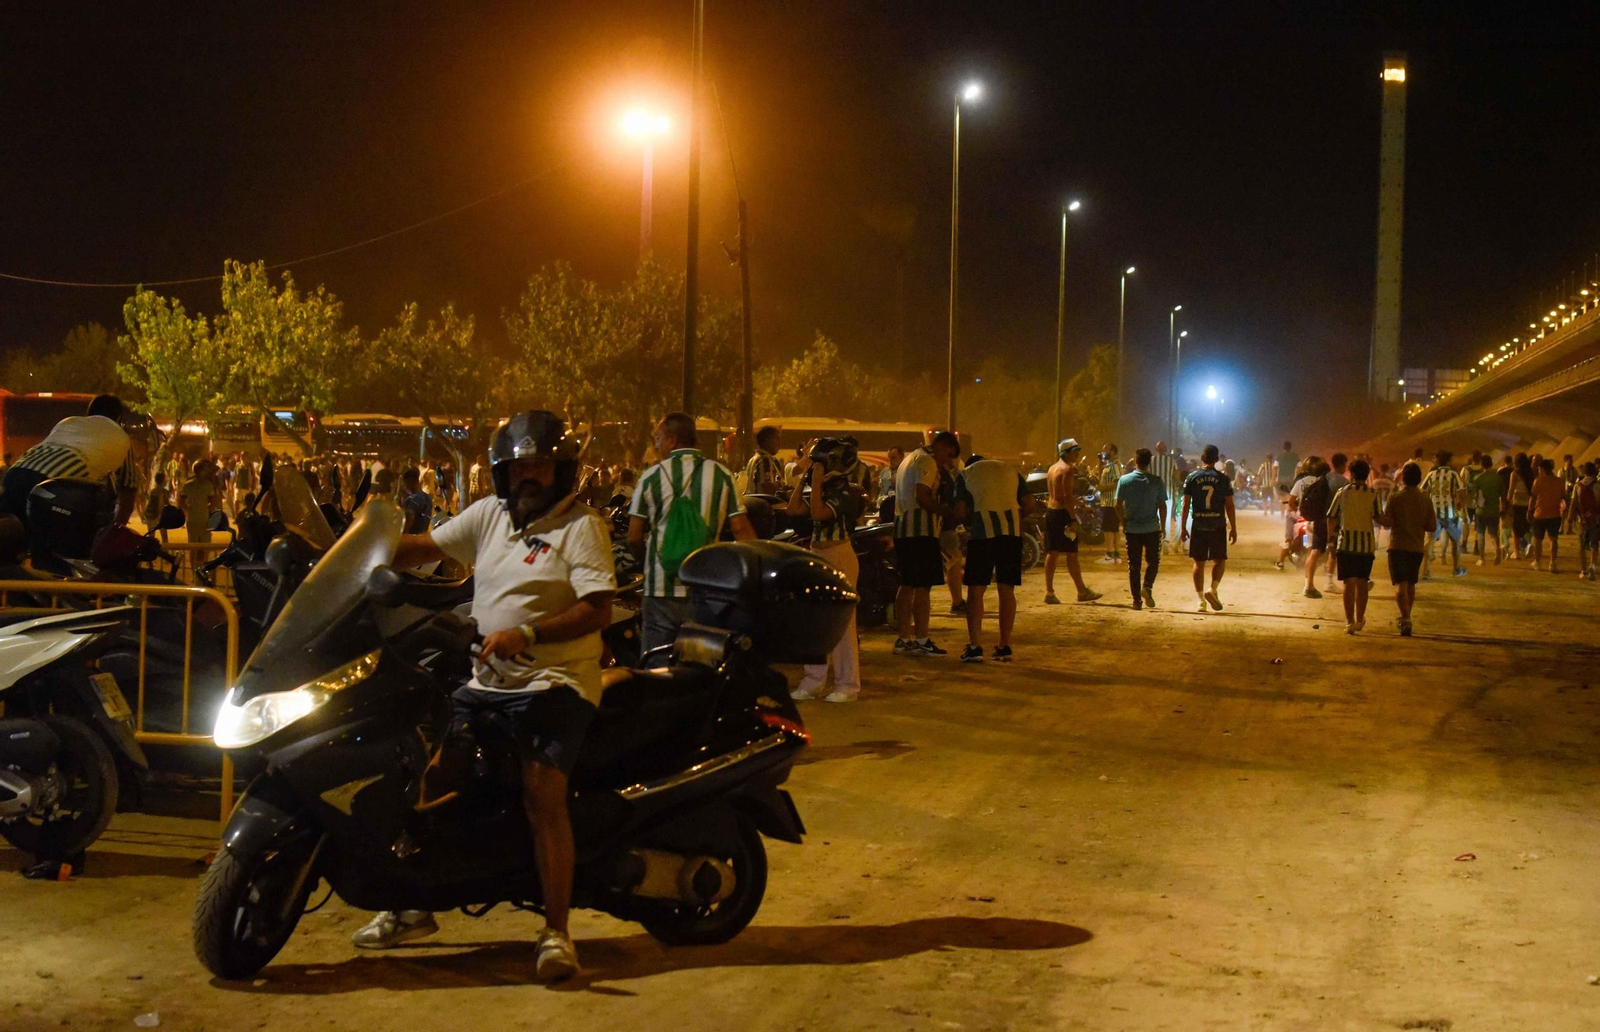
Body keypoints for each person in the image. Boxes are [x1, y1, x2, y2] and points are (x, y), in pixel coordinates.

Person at [350, 411, 615, 981]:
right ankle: (413, 906)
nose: (529, 477)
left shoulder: (581, 526)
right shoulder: (490, 516)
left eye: (540, 466)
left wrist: (530, 634)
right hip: (487, 680)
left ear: (561, 471)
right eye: (520, 467)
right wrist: (352, 552)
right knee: (434, 778)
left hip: (555, 683)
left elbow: (599, 607)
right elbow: (422, 547)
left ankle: (556, 933)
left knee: (541, 793)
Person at [628, 412, 755, 659]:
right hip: (705, 590)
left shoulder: (650, 478)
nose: (656, 445)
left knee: (656, 663)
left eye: (659, 438)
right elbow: (742, 531)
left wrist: (649, 565)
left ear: (673, 440)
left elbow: (634, 536)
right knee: (700, 663)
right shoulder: (722, 475)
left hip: (659, 590)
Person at [785, 439, 865, 701]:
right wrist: (805, 478)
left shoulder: (845, 491)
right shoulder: (827, 487)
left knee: (841, 624)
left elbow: (818, 514)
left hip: (839, 555)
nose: (818, 466)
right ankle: (813, 682)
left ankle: (847, 685)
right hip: (819, 554)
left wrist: (816, 480)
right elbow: (794, 509)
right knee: (815, 622)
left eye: (822, 462)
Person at [0, 394, 137, 528]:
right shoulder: (121, 437)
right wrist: (116, 532)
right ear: (119, 418)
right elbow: (127, 493)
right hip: (51, 488)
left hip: (15, 474)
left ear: (88, 414)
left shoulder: (68, 422)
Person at [954, 454, 1030, 663]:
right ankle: (1004, 646)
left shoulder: (965, 474)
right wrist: (1012, 520)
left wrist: (969, 523)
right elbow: (1029, 504)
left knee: (976, 589)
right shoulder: (1011, 470)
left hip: (982, 535)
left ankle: (975, 647)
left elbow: (960, 511)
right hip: (1011, 535)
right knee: (1007, 589)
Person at [891, 431, 961, 656]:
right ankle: (921, 640)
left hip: (902, 529)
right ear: (941, 446)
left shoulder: (908, 459)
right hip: (921, 532)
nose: (946, 462)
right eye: (948, 456)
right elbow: (922, 495)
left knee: (907, 584)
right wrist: (945, 512)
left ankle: (903, 639)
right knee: (922, 587)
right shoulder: (927, 461)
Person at [1377, 460, 1435, 636]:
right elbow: (1432, 526)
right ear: (1419, 479)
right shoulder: (1425, 498)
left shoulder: (1396, 497)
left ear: (1404, 478)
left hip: (1398, 546)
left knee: (1401, 586)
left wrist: (1375, 516)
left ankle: (1406, 618)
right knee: (1410, 585)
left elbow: (1387, 522)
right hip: (1416, 548)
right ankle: (1406, 618)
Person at [1041, 439, 1102, 604]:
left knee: (1052, 552)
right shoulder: (1068, 469)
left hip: (1051, 512)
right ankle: (1082, 591)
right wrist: (1073, 518)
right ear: (1066, 452)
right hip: (1062, 515)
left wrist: (1081, 505)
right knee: (1072, 554)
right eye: (1075, 450)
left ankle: (1049, 592)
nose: (1078, 453)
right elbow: (1067, 497)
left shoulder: (1053, 469)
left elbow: (1058, 495)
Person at [1178, 443, 1236, 612]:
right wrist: (1233, 527)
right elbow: (1230, 505)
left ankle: (1200, 601)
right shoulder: (1224, 479)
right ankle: (1213, 589)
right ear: (1217, 460)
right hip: (1217, 524)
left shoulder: (1191, 478)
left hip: (1199, 524)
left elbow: (1185, 504)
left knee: (1198, 563)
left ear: (1202, 458)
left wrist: (1183, 527)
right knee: (1219, 560)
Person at [1328, 458, 1381, 633]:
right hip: (1365, 546)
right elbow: (1380, 518)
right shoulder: (1373, 494)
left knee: (1348, 584)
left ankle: (1349, 622)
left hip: (1346, 544)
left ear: (1351, 474)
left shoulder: (1342, 493)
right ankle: (1360, 620)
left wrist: (1330, 539)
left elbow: (1331, 517)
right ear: (1367, 475)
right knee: (1362, 583)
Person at [1115, 448, 1168, 610]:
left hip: (1132, 529)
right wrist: (1163, 526)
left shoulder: (1124, 480)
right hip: (1152, 528)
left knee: (1134, 566)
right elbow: (1162, 505)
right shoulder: (1157, 481)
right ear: (1149, 462)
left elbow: (1117, 505)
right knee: (1153, 561)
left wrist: (1123, 522)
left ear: (1135, 462)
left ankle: (1136, 601)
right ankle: (1147, 586)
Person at [1419, 451, 1465, 580]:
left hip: (1434, 513)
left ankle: (1426, 571)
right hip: (1450, 513)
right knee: (1455, 541)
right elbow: (1461, 491)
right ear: (1448, 461)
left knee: (1430, 541)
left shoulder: (1431, 474)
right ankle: (1457, 569)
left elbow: (1422, 491)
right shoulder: (1454, 474)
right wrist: (1460, 505)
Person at [1291, 457, 1332, 598]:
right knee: (1315, 552)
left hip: (1307, 519)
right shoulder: (1323, 484)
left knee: (1311, 551)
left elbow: (1292, 501)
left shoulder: (1302, 483)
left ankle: (1308, 582)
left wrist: (1297, 511)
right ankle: (1310, 585)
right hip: (1319, 522)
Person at [1529, 457, 1566, 573]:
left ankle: (1537, 562)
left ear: (1543, 469)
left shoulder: (1538, 481)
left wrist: (1529, 511)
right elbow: (1563, 497)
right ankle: (1552, 562)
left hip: (1539, 514)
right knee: (1553, 539)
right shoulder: (1559, 481)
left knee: (1538, 540)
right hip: (1554, 514)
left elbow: (1533, 498)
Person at [1470, 454, 1504, 566]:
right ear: (1491, 463)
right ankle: (1497, 549)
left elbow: (1474, 495)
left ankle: (1482, 558)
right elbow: (1502, 494)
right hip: (1494, 510)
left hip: (1481, 510)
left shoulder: (1478, 479)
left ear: (1482, 465)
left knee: (1480, 534)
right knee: (1494, 533)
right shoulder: (1498, 478)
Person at [181, 458, 221, 545]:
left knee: (192, 545)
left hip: (191, 517)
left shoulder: (187, 484)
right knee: (204, 546)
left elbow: (181, 501)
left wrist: (190, 508)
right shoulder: (208, 485)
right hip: (204, 517)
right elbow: (214, 502)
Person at [1096, 445, 1123, 563]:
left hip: (1111, 501)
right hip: (1109, 501)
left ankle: (1109, 554)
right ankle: (1116, 555)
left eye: (1106, 450)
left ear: (1113, 451)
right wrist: (1099, 467)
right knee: (1114, 529)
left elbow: (1116, 484)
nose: (1104, 452)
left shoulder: (1115, 466)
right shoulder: (1109, 465)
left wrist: (1101, 488)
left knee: (1109, 529)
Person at [742, 425, 787, 495]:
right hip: (763, 504)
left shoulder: (753, 459)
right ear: (767, 440)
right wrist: (781, 487)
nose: (779, 443)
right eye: (777, 439)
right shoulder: (764, 459)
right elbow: (767, 486)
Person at [1573, 461, 1599, 580]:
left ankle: (1583, 570)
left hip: (1582, 519)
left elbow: (1574, 503)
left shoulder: (1578, 486)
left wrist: (1569, 519)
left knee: (1582, 545)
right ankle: (1592, 566)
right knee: (1594, 544)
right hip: (1596, 519)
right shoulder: (1597, 485)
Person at [1508, 452, 1533, 559]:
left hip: (1517, 503)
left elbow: (1511, 489)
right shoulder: (1531, 473)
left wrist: (1508, 502)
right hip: (1529, 503)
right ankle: (1528, 545)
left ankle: (1517, 552)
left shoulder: (1515, 474)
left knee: (1516, 529)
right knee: (1527, 527)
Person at [400, 467, 433, 534]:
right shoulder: (428, 498)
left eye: (405, 484)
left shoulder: (411, 500)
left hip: (411, 537)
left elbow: (408, 521)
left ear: (409, 483)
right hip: (422, 535)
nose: (405, 487)